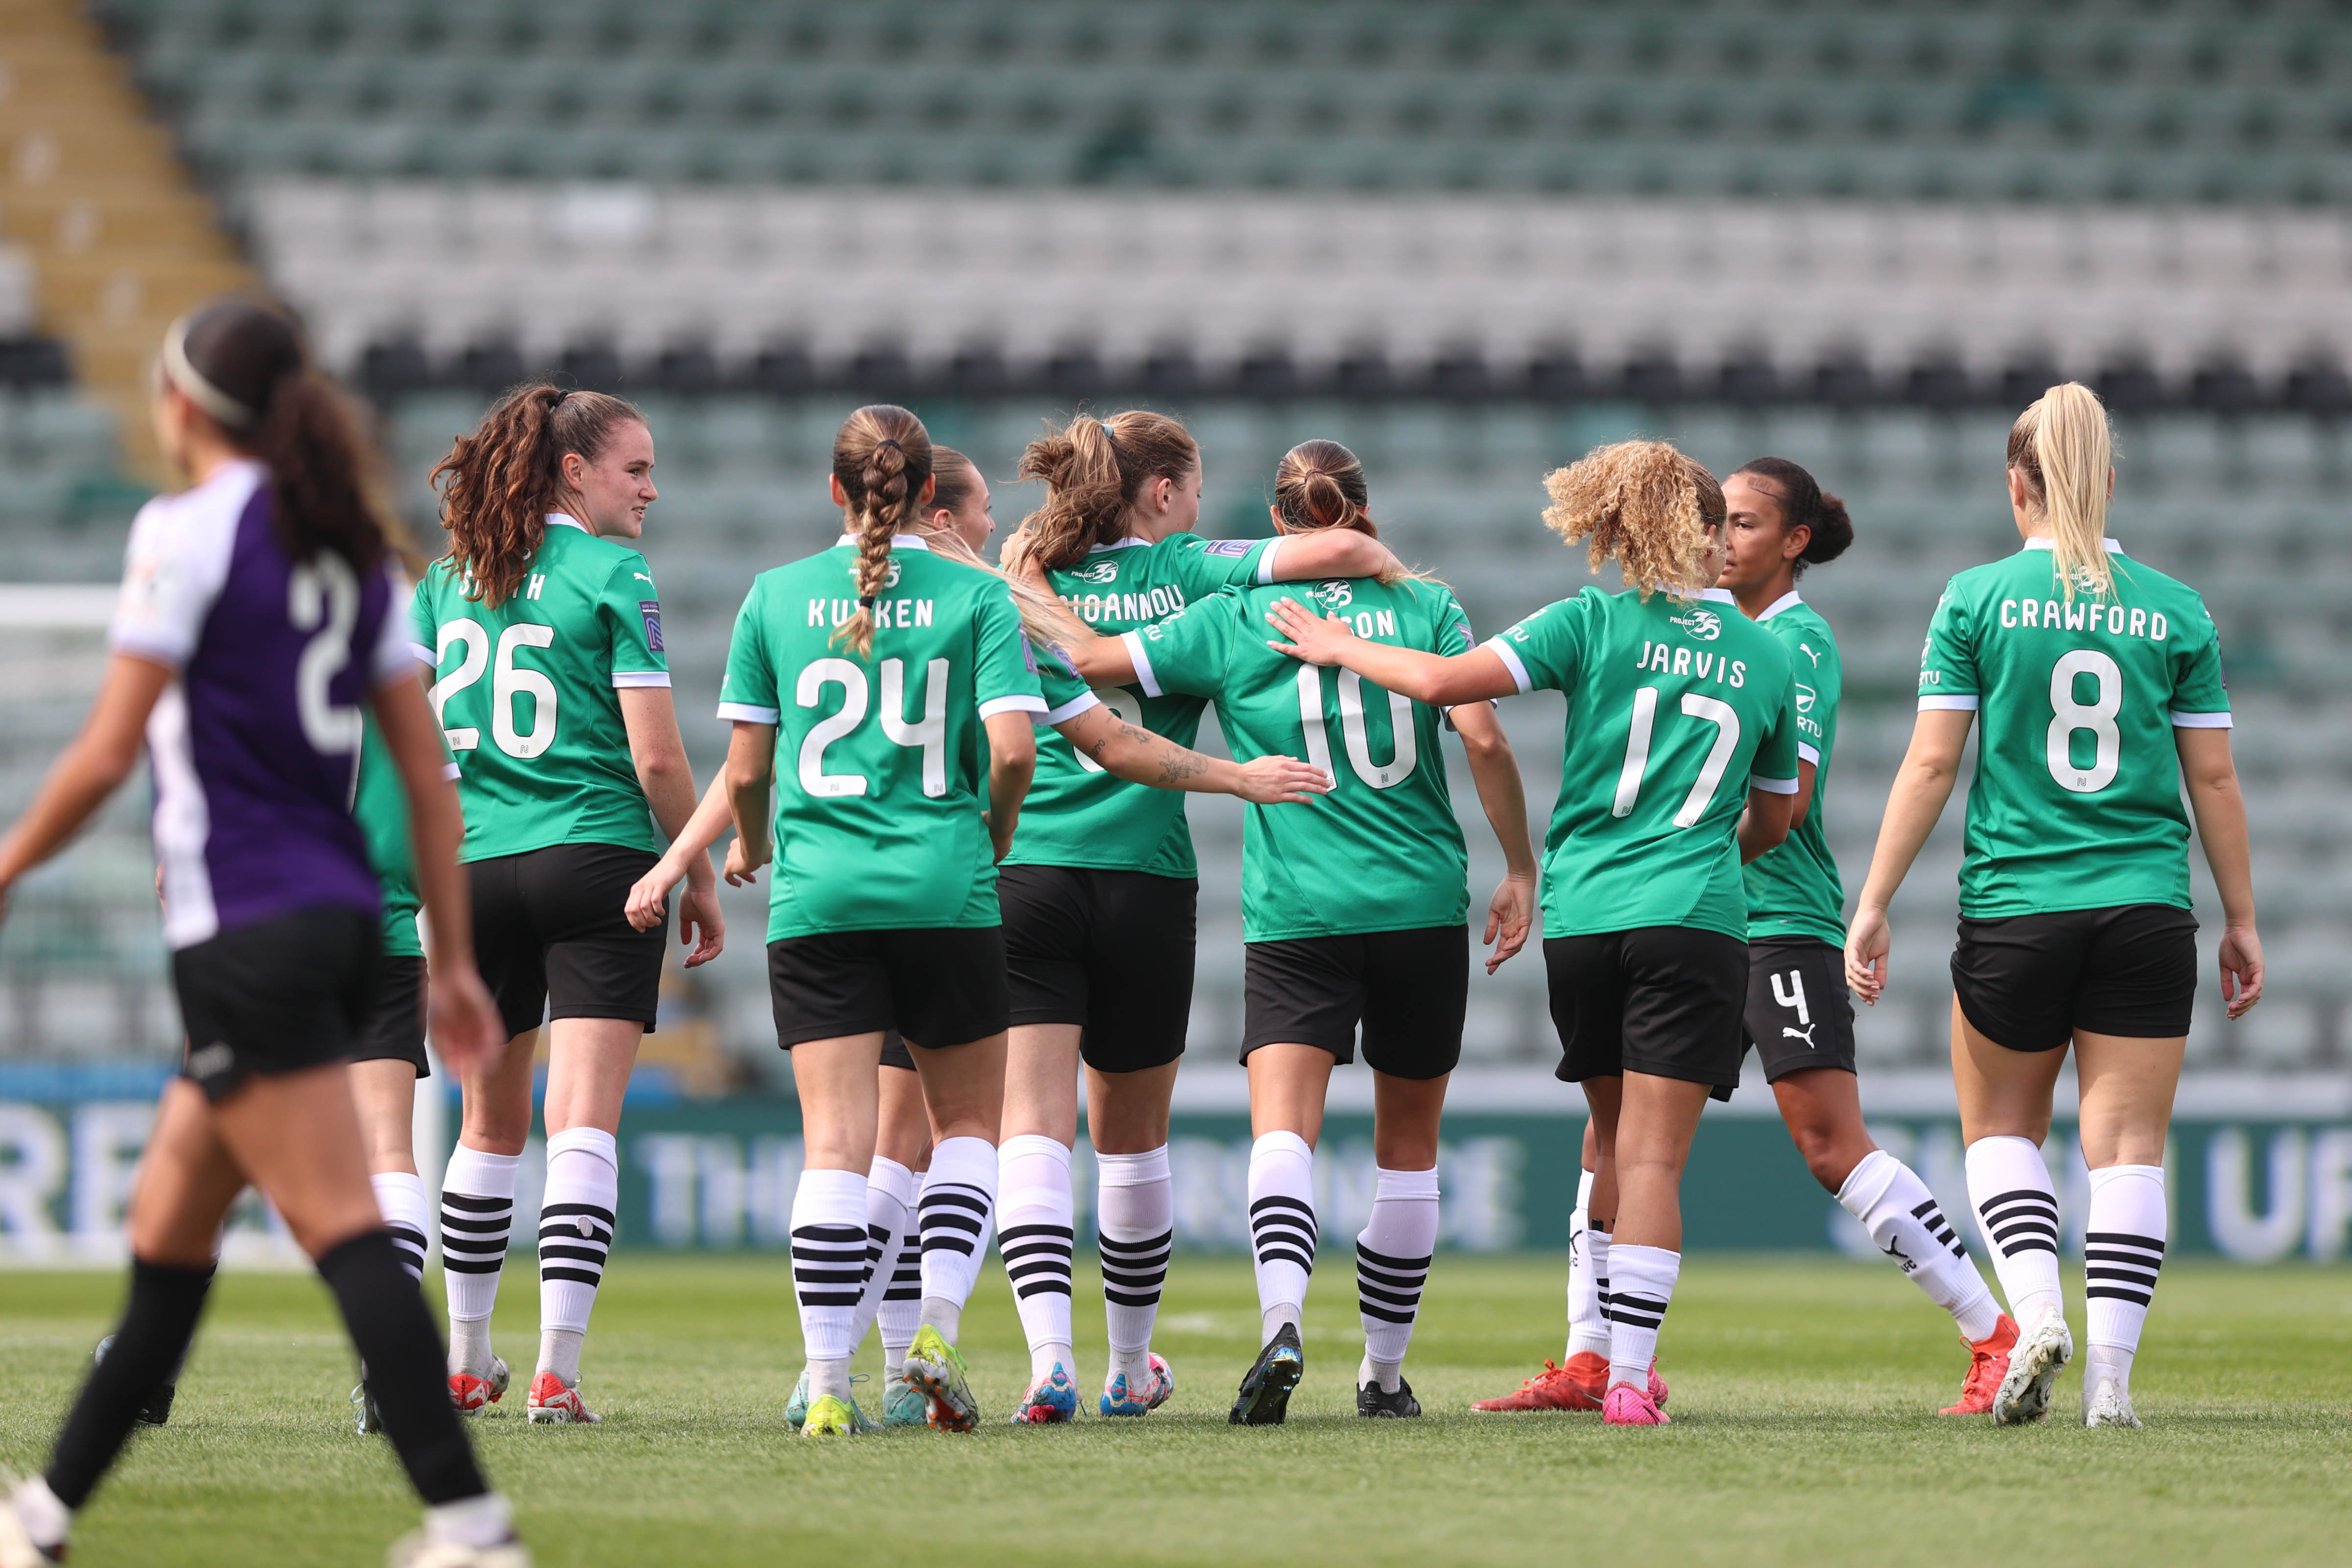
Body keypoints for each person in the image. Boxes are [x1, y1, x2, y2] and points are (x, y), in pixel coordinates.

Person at [630, 436, 1325, 1432]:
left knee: (866, 1144)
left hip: (860, 896)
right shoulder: (993, 604)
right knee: (1020, 1138)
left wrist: (713, 852)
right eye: (981, 512)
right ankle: (996, 1350)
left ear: (838, 490)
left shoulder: (784, 595)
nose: (998, 527)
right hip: (982, 887)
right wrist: (1231, 778)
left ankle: (835, 1375)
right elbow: (1065, 743)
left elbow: (748, 771)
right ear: (938, 509)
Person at [0, 300, 525, 1567]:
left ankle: (472, 1523)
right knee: (167, 1246)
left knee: (343, 1233)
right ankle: (47, 1517)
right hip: (345, 917)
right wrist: (450, 961)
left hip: (244, 925)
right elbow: (429, 774)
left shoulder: (182, 533)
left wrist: (6, 863)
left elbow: (112, 747)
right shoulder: (354, 548)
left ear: (182, 407)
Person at [1267, 439, 1801, 1427]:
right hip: (1695, 918)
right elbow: (1775, 819)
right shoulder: (1770, 654)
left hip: (1589, 920)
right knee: (1651, 1164)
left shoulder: (1588, 619)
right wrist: (1704, 844)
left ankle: (1592, 1358)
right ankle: (1630, 1383)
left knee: (1606, 1143)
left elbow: (1441, 687)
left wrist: (1340, 647)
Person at [1477, 456, 2012, 1416]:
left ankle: (1993, 1335)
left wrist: (1656, 850)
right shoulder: (1695, 629)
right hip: (1691, 915)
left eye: (1746, 525)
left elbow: (1787, 801)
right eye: (1716, 521)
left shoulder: (1795, 643)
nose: (1722, 539)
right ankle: (1589, 1359)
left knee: (1825, 1140)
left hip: (1772, 918)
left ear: (1791, 544)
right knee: (1606, 1139)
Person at [1062, 439, 1539, 1424]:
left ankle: (1281, 1320)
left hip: (1298, 914)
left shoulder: (1236, 615)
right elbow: (1485, 736)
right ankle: (1380, 1374)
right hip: (1418, 903)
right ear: (1362, 511)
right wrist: (1518, 867)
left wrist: (1021, 579)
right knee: (1408, 1148)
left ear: (1279, 527)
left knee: (1282, 1130)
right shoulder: (1425, 606)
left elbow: (1085, 664)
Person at [1845, 383, 2262, 1428]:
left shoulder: (1974, 599)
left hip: (2015, 903)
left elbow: (1932, 765)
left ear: (2013, 485)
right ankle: (2111, 1387)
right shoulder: (2174, 608)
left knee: (1998, 1131)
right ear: (2106, 480)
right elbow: (2212, 782)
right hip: (2144, 906)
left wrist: (1873, 898)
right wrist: (2242, 918)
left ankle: (2033, 1314)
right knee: (2124, 1149)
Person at [991, 412, 1407, 1424]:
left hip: (1027, 872)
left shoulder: (1012, 587)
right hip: (1145, 875)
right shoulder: (1193, 571)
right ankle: (1129, 1367)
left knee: (1031, 1130)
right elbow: (1351, 546)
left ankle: (1049, 1357)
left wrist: (1033, 585)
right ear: (1165, 493)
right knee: (1132, 1143)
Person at [419, 385, 724, 1426]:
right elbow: (655, 754)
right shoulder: (611, 573)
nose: (652, 489)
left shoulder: (443, 582)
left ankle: (463, 1360)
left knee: (486, 1130)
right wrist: (691, 868)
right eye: (635, 469)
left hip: (473, 866)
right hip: (596, 859)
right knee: (580, 1123)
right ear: (572, 472)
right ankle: (555, 1373)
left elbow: (406, 745)